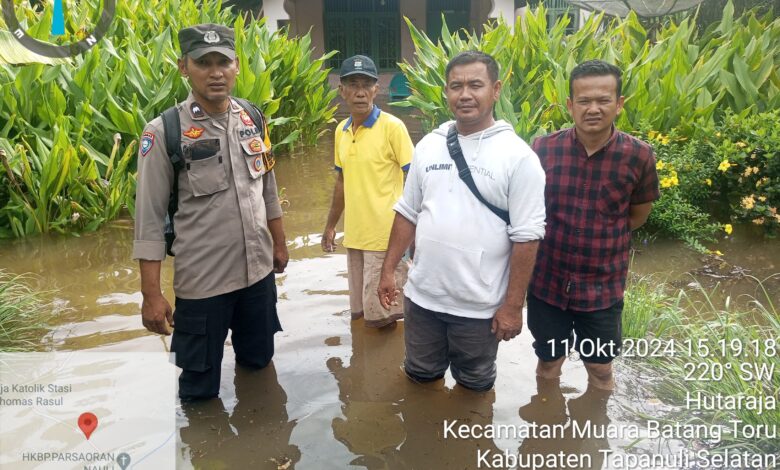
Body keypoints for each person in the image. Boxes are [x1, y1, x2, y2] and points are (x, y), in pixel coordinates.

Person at [133, 23, 288, 401]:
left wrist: (279, 245)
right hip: (203, 286)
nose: (215, 72)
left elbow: (267, 188)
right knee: (198, 390)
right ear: (184, 66)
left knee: (259, 365)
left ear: (237, 65)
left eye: (224, 62)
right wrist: (151, 295)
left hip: (257, 276)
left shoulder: (253, 117)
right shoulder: (164, 131)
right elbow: (149, 219)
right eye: (204, 62)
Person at [378, 51, 546, 392]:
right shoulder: (429, 145)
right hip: (422, 299)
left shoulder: (519, 158)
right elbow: (408, 212)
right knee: (420, 379)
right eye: (456, 86)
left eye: (475, 85)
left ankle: (465, 442)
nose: (465, 94)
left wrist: (512, 307)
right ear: (446, 92)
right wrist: (388, 270)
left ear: (496, 90)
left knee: (474, 388)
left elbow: (527, 238)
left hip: (479, 309)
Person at [527, 59, 660, 391]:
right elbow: (528, 212)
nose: (594, 109)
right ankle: (548, 431)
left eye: (604, 100)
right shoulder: (542, 150)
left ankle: (595, 434)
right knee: (548, 365)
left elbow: (637, 216)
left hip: (602, 289)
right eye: (584, 101)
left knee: (600, 370)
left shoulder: (639, 155)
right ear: (570, 105)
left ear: (619, 104)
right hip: (548, 285)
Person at [321, 55, 414, 328]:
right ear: (342, 90)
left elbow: (417, 179)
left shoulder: (393, 128)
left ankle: (387, 368)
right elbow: (342, 183)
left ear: (376, 89)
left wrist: (415, 233)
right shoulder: (341, 130)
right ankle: (365, 367)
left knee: (385, 318)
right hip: (356, 238)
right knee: (362, 316)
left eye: (366, 85)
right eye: (352, 84)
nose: (360, 92)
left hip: (386, 239)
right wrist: (330, 226)